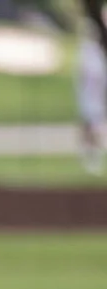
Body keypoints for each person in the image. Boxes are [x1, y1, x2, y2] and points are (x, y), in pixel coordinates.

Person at [75, 21, 107, 176]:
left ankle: (94, 155)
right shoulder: (85, 52)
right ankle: (88, 154)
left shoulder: (97, 53)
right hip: (88, 97)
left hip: (96, 97)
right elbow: (82, 76)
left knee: (96, 126)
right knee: (89, 127)